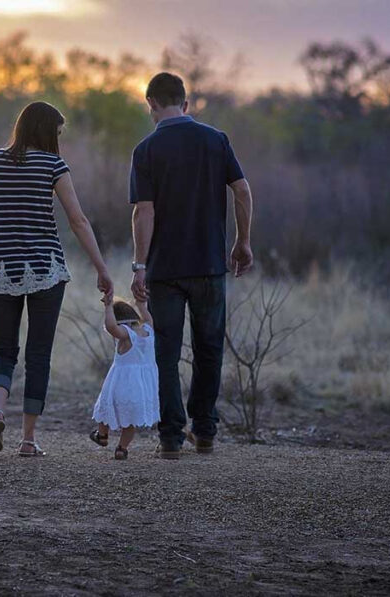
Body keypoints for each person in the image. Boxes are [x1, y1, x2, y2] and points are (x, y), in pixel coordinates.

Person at [0, 101, 113, 457]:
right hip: (46, 269)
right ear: (47, 132)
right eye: (58, 133)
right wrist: (102, 268)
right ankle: (28, 439)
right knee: (38, 355)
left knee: (3, 348)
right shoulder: (53, 165)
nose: (59, 140)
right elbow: (78, 221)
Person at [129, 72, 255, 460]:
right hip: (208, 265)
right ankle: (205, 432)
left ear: (151, 103)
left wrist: (139, 265)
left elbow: (143, 212)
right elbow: (242, 190)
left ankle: (170, 437)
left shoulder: (146, 149)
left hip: (165, 270)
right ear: (185, 103)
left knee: (165, 353)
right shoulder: (216, 140)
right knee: (209, 349)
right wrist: (242, 241)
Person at [89, 297, 160, 460]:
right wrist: (141, 305)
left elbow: (111, 327)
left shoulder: (126, 335)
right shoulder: (148, 330)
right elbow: (148, 317)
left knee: (106, 407)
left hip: (122, 383)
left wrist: (108, 307)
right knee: (130, 420)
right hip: (142, 387)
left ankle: (102, 435)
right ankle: (122, 448)